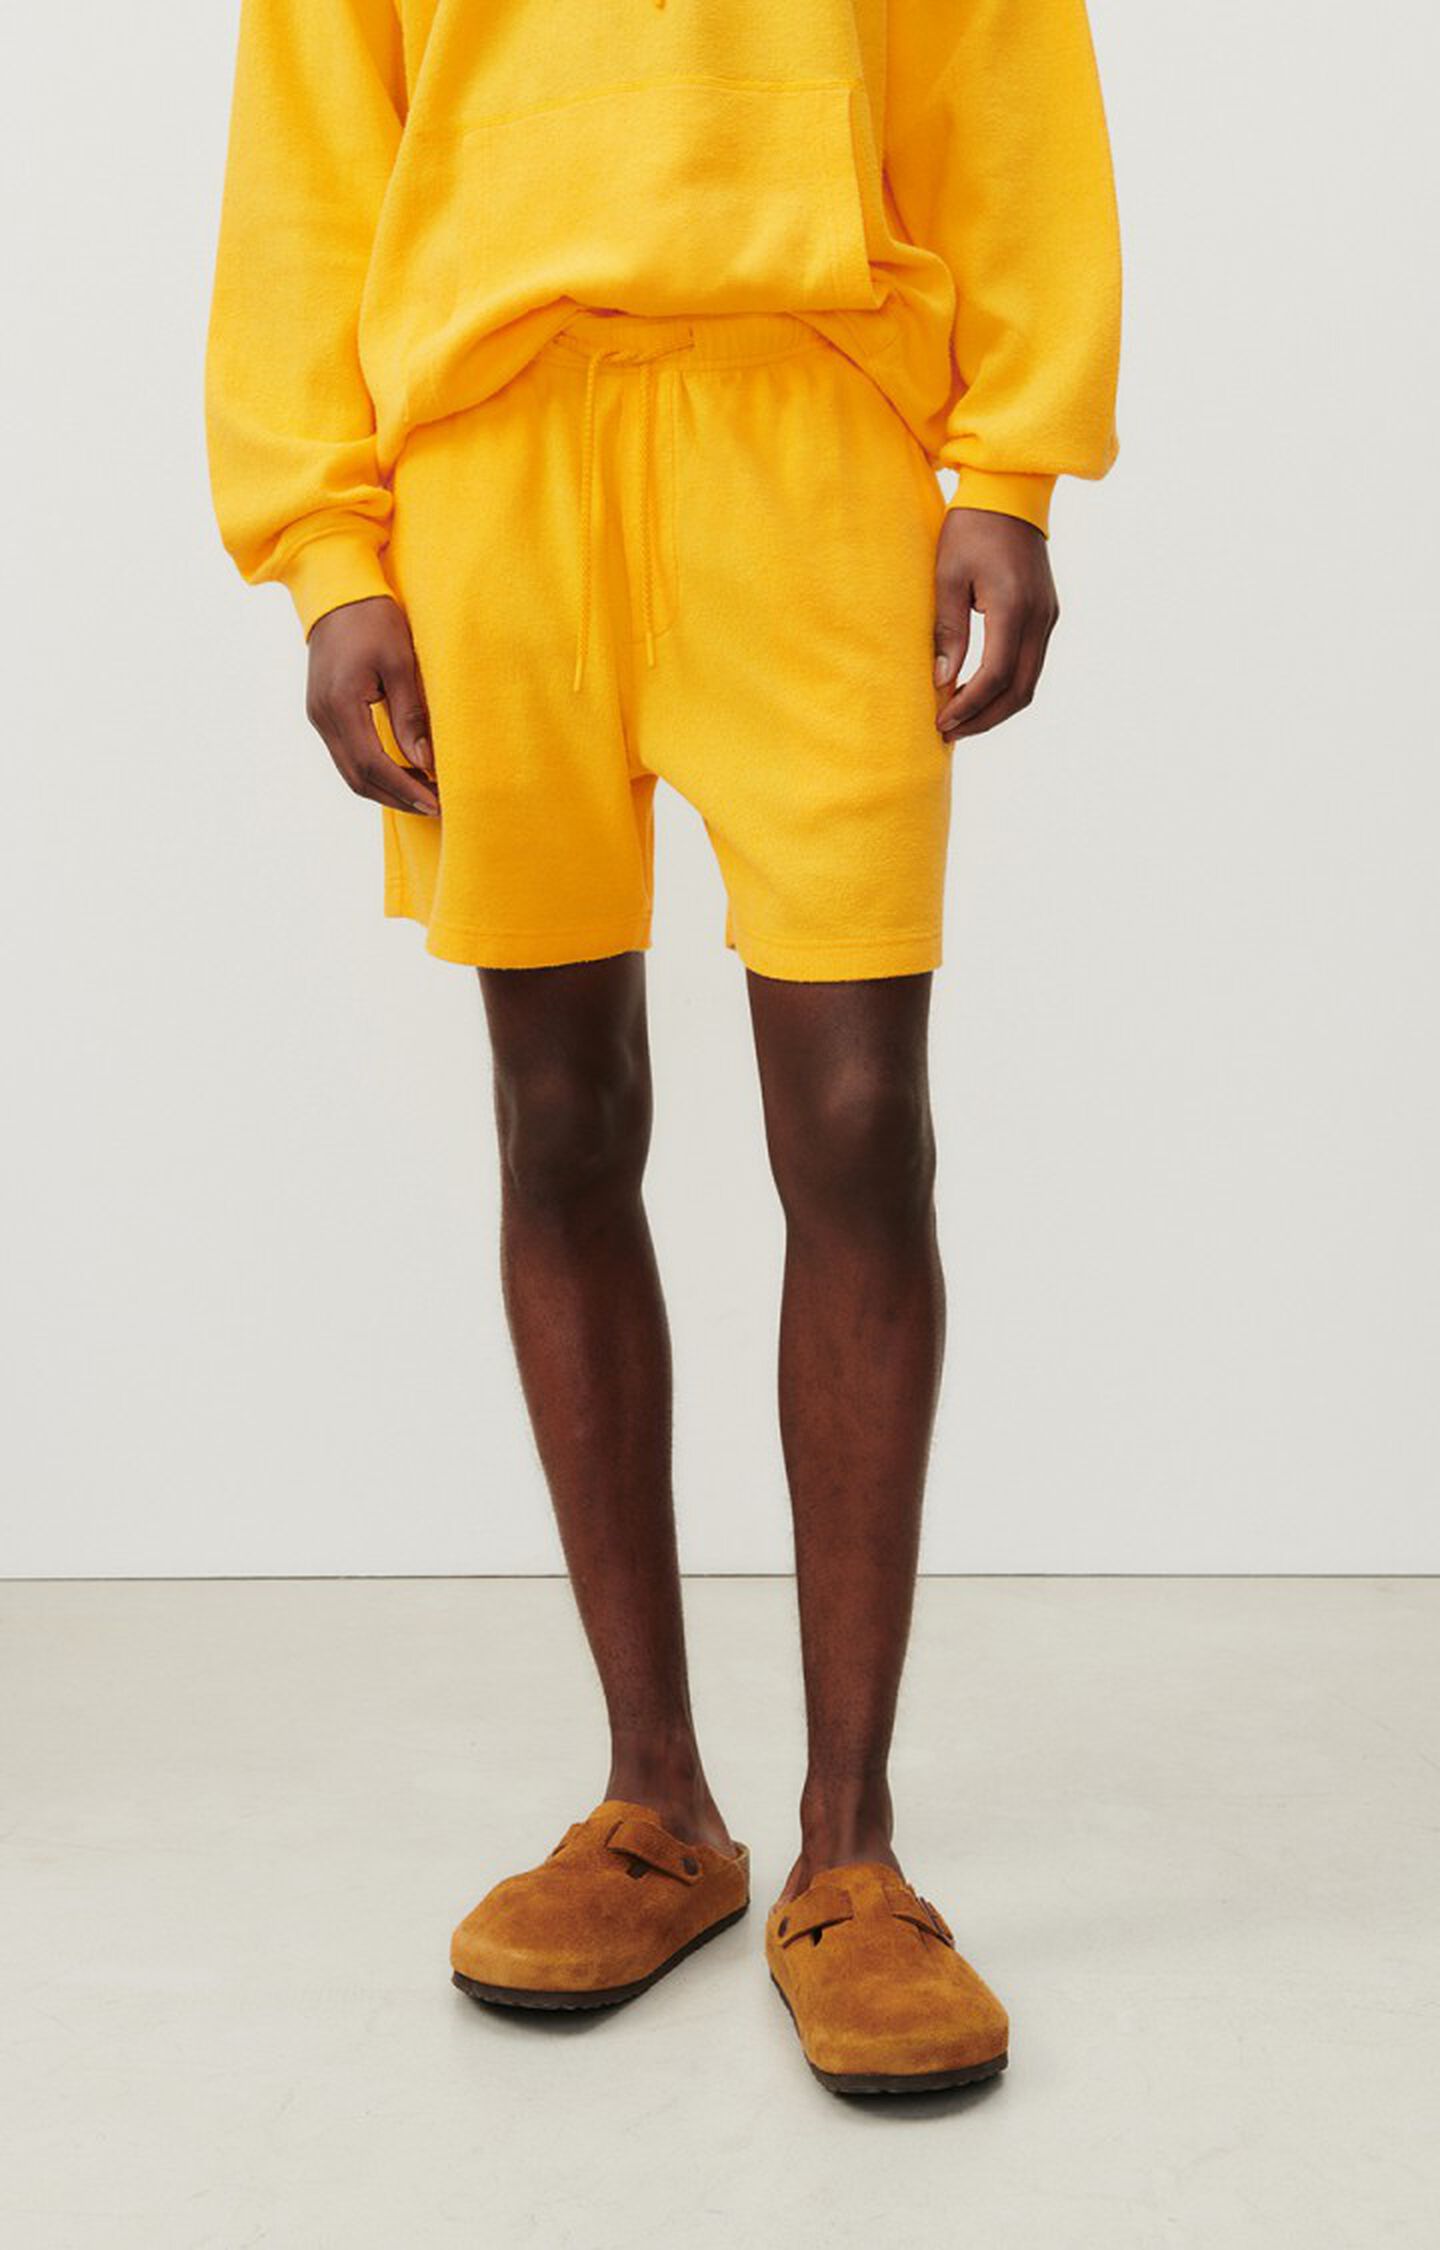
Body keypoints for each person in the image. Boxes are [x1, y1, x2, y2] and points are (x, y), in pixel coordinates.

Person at [207, 0, 1121, 2095]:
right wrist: (328, 556)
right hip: (490, 460)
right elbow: (312, 140)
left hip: (810, 426)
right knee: (559, 1115)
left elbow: (996, 69)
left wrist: (1011, 468)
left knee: (861, 1122)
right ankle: (657, 1805)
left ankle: (851, 1852)